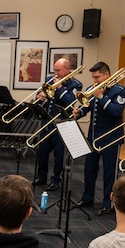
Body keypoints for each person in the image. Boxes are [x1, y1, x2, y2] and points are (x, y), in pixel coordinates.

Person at [73, 62, 125, 215]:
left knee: (109, 172)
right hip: (93, 137)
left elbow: (116, 112)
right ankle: (87, 197)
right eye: (93, 77)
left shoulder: (120, 91)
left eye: (97, 77)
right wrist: (80, 112)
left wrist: (102, 97)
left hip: (111, 138)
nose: (95, 80)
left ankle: (108, 202)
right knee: (89, 169)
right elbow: (88, 106)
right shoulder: (92, 89)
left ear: (106, 75)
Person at [33, 58, 81, 190]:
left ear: (67, 69)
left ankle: (56, 179)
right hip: (46, 122)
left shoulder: (76, 85)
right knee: (42, 152)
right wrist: (39, 96)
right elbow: (40, 93)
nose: (56, 72)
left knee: (59, 155)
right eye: (55, 69)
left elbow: (70, 101)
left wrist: (59, 88)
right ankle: (41, 176)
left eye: (58, 70)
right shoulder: (50, 79)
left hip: (61, 124)